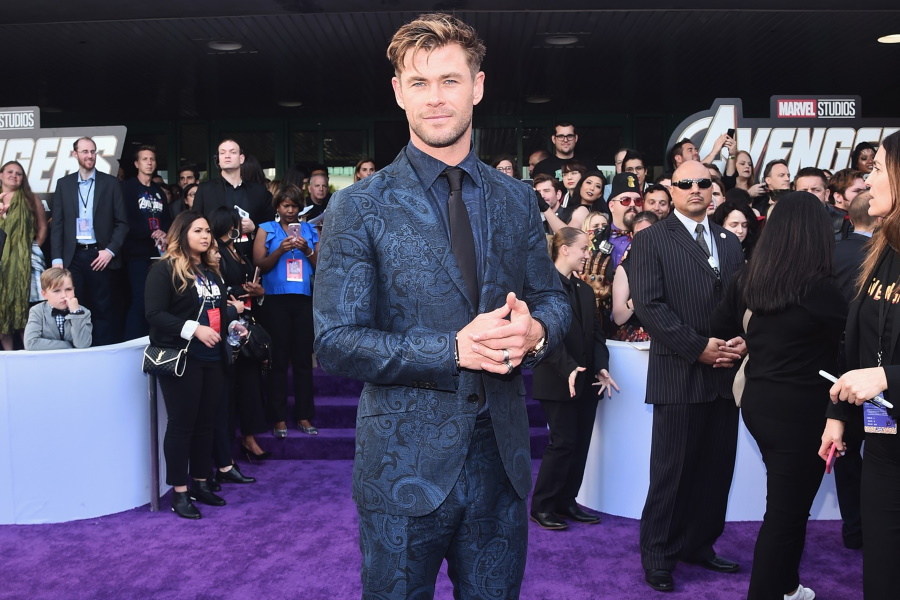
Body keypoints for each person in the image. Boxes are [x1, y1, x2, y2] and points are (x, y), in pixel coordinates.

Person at [312, 13, 569, 598]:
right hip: (400, 469)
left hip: (500, 468)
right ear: (399, 91)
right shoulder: (359, 207)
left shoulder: (516, 200)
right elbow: (336, 341)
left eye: (450, 80)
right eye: (420, 82)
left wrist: (537, 334)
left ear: (478, 86)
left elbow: (553, 299)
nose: (436, 98)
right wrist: (453, 350)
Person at [712, 192, 847, 600]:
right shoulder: (822, 289)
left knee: (789, 507)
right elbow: (851, 345)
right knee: (786, 515)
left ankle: (787, 586)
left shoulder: (751, 277)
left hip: (758, 403)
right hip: (801, 413)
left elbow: (722, 325)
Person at [629, 160, 745, 593]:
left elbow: (741, 299)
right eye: (686, 184)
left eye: (703, 182)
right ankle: (658, 555)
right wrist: (699, 348)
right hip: (679, 373)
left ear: (714, 189)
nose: (696, 189)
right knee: (671, 472)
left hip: (725, 377)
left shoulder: (730, 242)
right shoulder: (652, 240)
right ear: (670, 190)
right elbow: (650, 306)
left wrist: (742, 341)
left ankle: (699, 544)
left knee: (717, 471)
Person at [821, 130, 900, 600]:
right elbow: (858, 341)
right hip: (885, 442)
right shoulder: (883, 250)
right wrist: (839, 416)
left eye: (878, 167)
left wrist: (890, 377)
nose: (868, 178)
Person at [144, 210, 245, 519]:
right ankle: (179, 492)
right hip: (183, 357)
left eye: (207, 231)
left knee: (206, 423)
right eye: (198, 231)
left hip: (214, 358)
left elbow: (216, 312)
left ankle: (201, 482)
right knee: (182, 424)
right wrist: (194, 329)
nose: (205, 236)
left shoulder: (212, 271)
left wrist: (234, 324)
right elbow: (154, 314)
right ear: (182, 233)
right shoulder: (165, 269)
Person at [530, 227, 617, 530]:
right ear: (564, 249)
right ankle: (542, 505)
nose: (587, 255)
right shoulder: (542, 286)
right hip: (556, 378)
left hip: (586, 380)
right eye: (583, 248)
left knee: (579, 443)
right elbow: (544, 337)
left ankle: (567, 500)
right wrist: (567, 367)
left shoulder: (584, 289)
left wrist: (601, 367)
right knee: (563, 442)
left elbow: (596, 334)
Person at [253, 184, 318, 438]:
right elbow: (260, 263)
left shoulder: (310, 229)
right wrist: (280, 249)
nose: (290, 211)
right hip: (274, 301)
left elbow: (321, 264)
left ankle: (304, 415)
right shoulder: (266, 229)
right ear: (278, 207)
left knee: (303, 360)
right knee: (277, 361)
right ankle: (278, 418)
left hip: (303, 301)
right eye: (285, 205)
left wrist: (306, 249)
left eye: (294, 206)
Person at [50, 137, 129, 346]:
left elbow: (122, 223)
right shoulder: (64, 184)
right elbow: (57, 224)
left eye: (93, 152)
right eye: (85, 152)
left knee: (104, 309)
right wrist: (57, 258)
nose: (90, 156)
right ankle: (80, 351)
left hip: (99, 254)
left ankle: (103, 352)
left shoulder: (110, 183)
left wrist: (110, 251)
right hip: (72, 256)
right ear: (74, 154)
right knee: (75, 306)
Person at [121, 145, 172, 340]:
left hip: (159, 255)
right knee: (139, 301)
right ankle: (132, 341)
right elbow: (125, 219)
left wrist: (164, 233)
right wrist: (151, 233)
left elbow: (167, 219)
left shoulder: (159, 190)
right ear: (136, 163)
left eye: (152, 159)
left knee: (156, 302)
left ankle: (151, 340)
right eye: (145, 159)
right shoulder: (127, 188)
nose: (149, 162)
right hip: (137, 254)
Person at [192, 139, 274, 255]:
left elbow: (271, 223)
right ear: (218, 160)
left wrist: (254, 227)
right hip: (215, 255)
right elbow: (195, 222)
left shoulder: (258, 191)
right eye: (222, 152)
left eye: (232, 152)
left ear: (241, 158)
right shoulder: (205, 189)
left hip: (251, 255)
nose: (227, 156)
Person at [0, 160, 48, 350]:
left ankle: (28, 354)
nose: (14, 176)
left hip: (26, 263)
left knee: (26, 312)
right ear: (1, 175)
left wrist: (31, 247)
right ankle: (9, 355)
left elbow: (43, 226)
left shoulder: (30, 198)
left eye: (19, 173)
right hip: (1, 264)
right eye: (10, 172)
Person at [610, 211, 658, 342]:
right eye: (639, 234)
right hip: (637, 338)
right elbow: (619, 318)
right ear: (631, 236)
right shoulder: (625, 268)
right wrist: (640, 296)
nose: (644, 239)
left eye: (650, 232)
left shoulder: (671, 262)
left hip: (668, 333)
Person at [24, 267, 92, 350]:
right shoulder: (37, 311)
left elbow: (83, 344)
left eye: (68, 289)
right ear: (44, 294)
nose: (64, 295)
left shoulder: (83, 312)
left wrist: (76, 313)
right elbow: (31, 343)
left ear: (74, 290)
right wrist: (68, 345)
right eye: (56, 291)